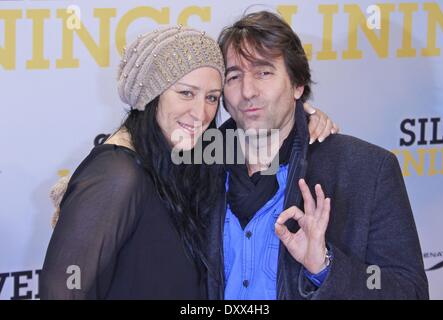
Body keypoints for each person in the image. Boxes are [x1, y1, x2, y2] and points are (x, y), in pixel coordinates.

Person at [40, 25, 336, 299]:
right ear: (150, 95)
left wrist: (303, 117)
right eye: (185, 93)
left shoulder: (191, 152)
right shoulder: (118, 174)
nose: (200, 113)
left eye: (211, 98)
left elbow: (266, 141)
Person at [205, 11, 429, 300]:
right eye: (234, 76)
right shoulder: (198, 168)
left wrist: (325, 267)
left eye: (264, 72)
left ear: (298, 85)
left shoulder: (365, 170)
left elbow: (408, 291)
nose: (247, 91)